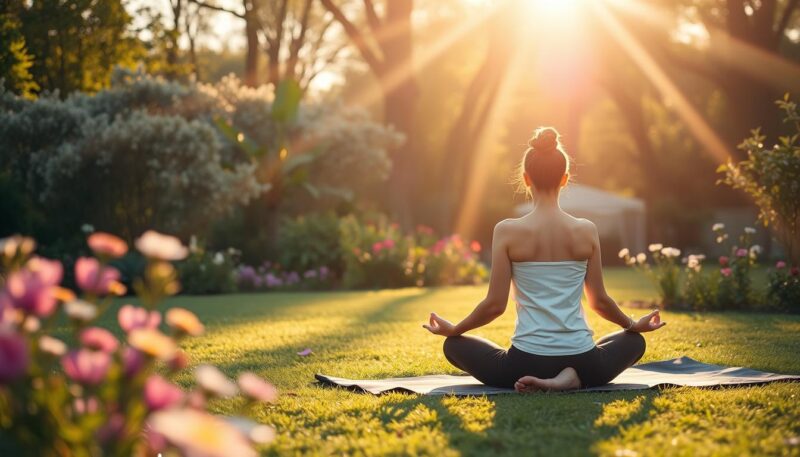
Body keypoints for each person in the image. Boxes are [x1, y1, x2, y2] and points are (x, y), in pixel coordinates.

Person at [423, 127, 666, 392]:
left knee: (454, 346)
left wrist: (455, 329)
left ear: (526, 179)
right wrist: (632, 324)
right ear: (565, 179)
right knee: (634, 341)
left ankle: (554, 377)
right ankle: (571, 377)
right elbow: (600, 301)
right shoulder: (586, 230)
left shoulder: (507, 231)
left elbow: (494, 305)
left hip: (525, 361)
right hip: (583, 358)